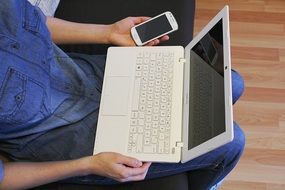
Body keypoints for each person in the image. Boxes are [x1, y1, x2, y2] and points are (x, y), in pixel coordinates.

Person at [0, 0, 245, 189]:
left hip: (85, 73)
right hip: (67, 136)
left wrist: (109, 33)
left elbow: (33, 23)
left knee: (232, 82)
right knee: (232, 143)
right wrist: (90, 165)